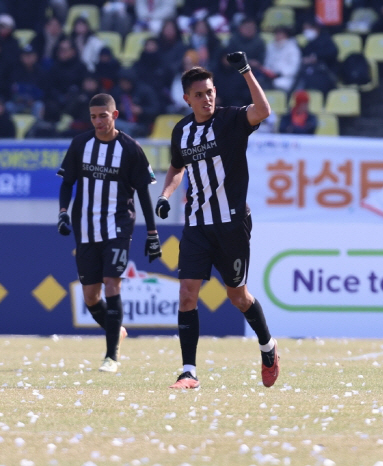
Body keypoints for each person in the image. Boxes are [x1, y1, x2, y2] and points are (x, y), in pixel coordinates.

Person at [155, 53, 279, 390]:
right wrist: (165, 196)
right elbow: (177, 167)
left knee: (238, 297)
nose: (207, 98)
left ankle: (268, 348)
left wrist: (246, 71)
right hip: (197, 225)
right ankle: (188, 371)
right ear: (186, 99)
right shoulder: (181, 131)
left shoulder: (231, 120)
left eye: (210, 92)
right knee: (187, 295)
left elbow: (264, 111)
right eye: (199, 94)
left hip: (232, 224)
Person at [56, 92, 162, 373]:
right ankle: (117, 330)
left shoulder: (130, 149)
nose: (98, 121)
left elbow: (143, 193)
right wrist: (63, 213)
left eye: (103, 115)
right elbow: (67, 182)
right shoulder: (80, 144)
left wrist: (152, 233)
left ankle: (111, 356)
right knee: (90, 296)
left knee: (112, 283)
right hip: (86, 228)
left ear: (115, 115)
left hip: (117, 226)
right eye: (93, 117)